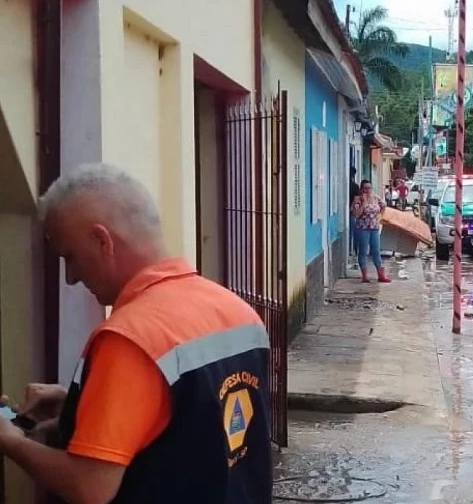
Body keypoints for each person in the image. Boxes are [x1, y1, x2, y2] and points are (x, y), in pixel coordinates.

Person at [0, 163, 271, 503]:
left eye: (69, 256)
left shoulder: (129, 339)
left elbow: (89, 486)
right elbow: (198, 425)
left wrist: (11, 440)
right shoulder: (238, 311)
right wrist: (79, 408)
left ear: (102, 241)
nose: (70, 277)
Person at [353, 180, 392, 283]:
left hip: (374, 228)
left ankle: (381, 275)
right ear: (362, 189)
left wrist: (380, 217)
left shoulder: (376, 198)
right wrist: (364, 203)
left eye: (369, 188)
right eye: (365, 188)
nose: (368, 190)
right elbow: (356, 214)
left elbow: (383, 206)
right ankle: (364, 276)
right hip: (363, 228)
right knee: (363, 251)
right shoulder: (358, 199)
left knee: (376, 251)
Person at [349, 167, 360, 256]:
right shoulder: (355, 186)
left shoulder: (343, 184)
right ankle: (353, 250)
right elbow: (356, 200)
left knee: (352, 232)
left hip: (350, 211)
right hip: (352, 212)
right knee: (353, 232)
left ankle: (351, 250)